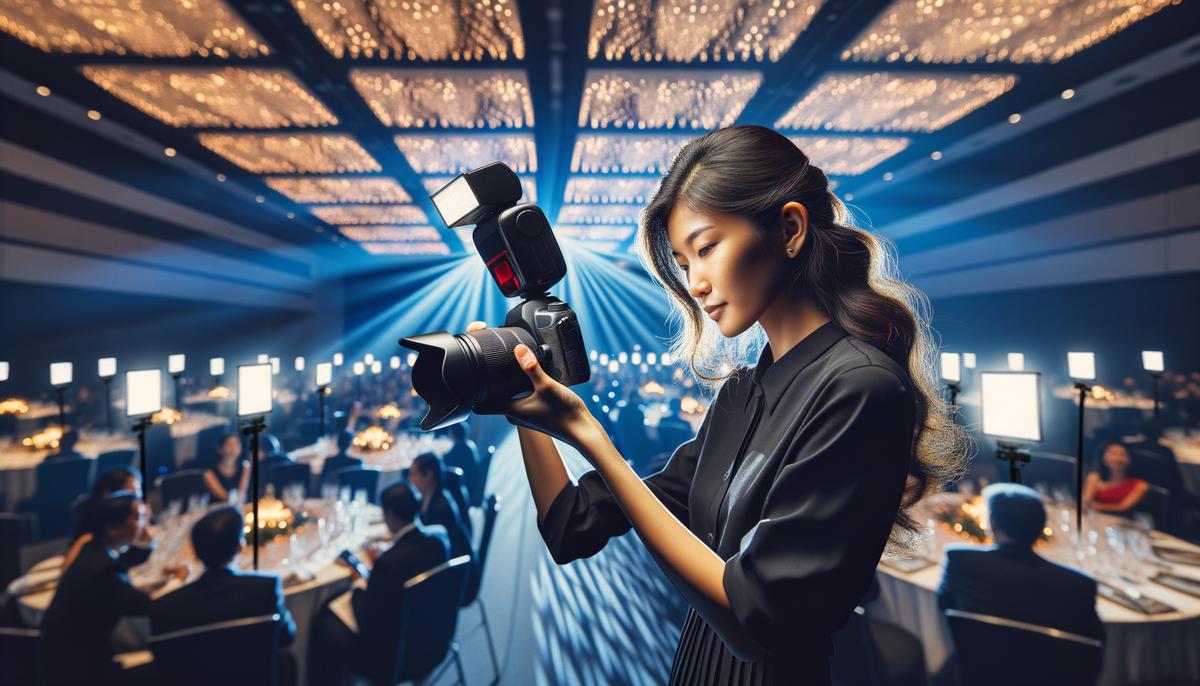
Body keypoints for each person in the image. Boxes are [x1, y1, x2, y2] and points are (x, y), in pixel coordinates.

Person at [464, 125, 968, 684]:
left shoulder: (862, 387)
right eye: (683, 263)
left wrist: (589, 436)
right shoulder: (742, 393)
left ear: (790, 229)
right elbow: (570, 527)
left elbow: (757, 622)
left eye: (706, 248)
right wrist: (520, 390)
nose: (697, 283)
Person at [307, 483, 451, 686]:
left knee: (324, 621)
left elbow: (366, 618)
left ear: (390, 515)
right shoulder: (439, 544)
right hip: (433, 640)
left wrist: (358, 583)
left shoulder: (389, 563)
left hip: (391, 657)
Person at [151, 506, 297, 685]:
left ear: (195, 552)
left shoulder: (164, 608)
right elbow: (287, 635)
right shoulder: (264, 588)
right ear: (240, 547)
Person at [938, 483, 1103, 642]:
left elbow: (945, 605)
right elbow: (1091, 648)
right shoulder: (1079, 585)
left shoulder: (960, 560)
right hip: (1053, 669)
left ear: (992, 522)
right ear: (1040, 527)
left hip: (978, 664)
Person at [39, 492, 153, 685]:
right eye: (138, 517)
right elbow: (147, 606)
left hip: (59, 662)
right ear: (113, 529)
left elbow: (124, 561)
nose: (145, 523)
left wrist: (146, 544)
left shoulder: (92, 550)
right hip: (82, 673)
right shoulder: (104, 574)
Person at [63, 467, 147, 570]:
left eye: (138, 490)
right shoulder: (89, 541)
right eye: (130, 493)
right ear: (108, 496)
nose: (137, 496)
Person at [408, 453, 472, 561]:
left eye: (414, 474)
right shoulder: (426, 497)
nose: (411, 479)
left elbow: (434, 545)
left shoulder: (441, 508)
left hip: (447, 563)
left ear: (428, 475)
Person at [1083, 442, 1149, 514]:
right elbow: (1086, 501)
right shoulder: (1095, 477)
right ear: (1103, 458)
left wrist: (1093, 506)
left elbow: (1122, 507)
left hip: (1122, 522)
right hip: (1093, 517)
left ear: (1130, 460)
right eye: (1113, 453)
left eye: (1123, 455)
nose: (1118, 458)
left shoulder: (1140, 485)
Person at [439, 422, 484, 507]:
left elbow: (445, 466)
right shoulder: (470, 445)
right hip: (472, 485)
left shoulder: (457, 450)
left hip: (464, 489)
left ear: (452, 434)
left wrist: (442, 455)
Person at [203, 433, 249, 504]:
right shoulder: (209, 471)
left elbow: (242, 493)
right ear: (220, 449)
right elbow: (222, 495)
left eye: (237, 444)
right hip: (215, 511)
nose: (234, 448)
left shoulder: (245, 468)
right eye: (229, 445)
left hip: (237, 509)